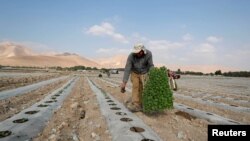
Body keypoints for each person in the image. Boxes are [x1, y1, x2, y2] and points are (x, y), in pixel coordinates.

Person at [120, 43, 154, 112]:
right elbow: (127, 68)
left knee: (142, 87)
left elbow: (151, 66)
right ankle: (136, 104)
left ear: (143, 50)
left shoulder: (149, 54)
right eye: (136, 52)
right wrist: (124, 82)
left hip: (144, 73)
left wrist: (153, 75)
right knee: (135, 86)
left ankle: (142, 104)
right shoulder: (131, 56)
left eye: (139, 52)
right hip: (134, 73)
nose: (137, 54)